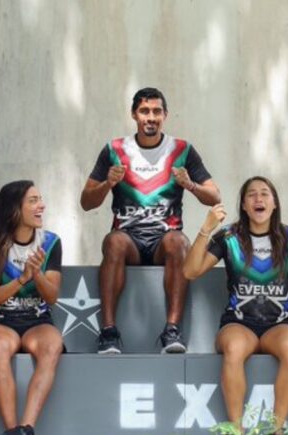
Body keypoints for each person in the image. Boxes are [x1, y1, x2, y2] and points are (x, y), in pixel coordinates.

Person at [183, 176, 288, 433]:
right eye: (252, 194)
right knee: (234, 348)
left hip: (278, 325)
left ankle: (276, 428)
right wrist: (205, 230)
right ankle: (236, 429)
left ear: (274, 203)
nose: (258, 198)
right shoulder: (229, 236)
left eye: (265, 193)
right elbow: (190, 271)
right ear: (244, 205)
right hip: (238, 324)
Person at [80, 87, 221, 354]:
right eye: (144, 111)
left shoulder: (182, 149)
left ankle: (172, 330)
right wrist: (107, 184)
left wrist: (190, 185)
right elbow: (86, 202)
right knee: (113, 242)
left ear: (165, 115)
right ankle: (108, 331)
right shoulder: (114, 149)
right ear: (134, 115)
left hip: (163, 240)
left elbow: (214, 196)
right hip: (128, 240)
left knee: (180, 242)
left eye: (157, 111)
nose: (151, 117)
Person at [0, 181, 64, 435]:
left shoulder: (50, 242)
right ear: (14, 209)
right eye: (33, 201)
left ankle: (26, 428)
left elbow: (52, 297)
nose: (41, 206)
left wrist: (37, 275)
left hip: (37, 320)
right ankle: (11, 430)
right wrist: (22, 279)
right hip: (0, 320)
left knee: (52, 345)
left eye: (40, 199)